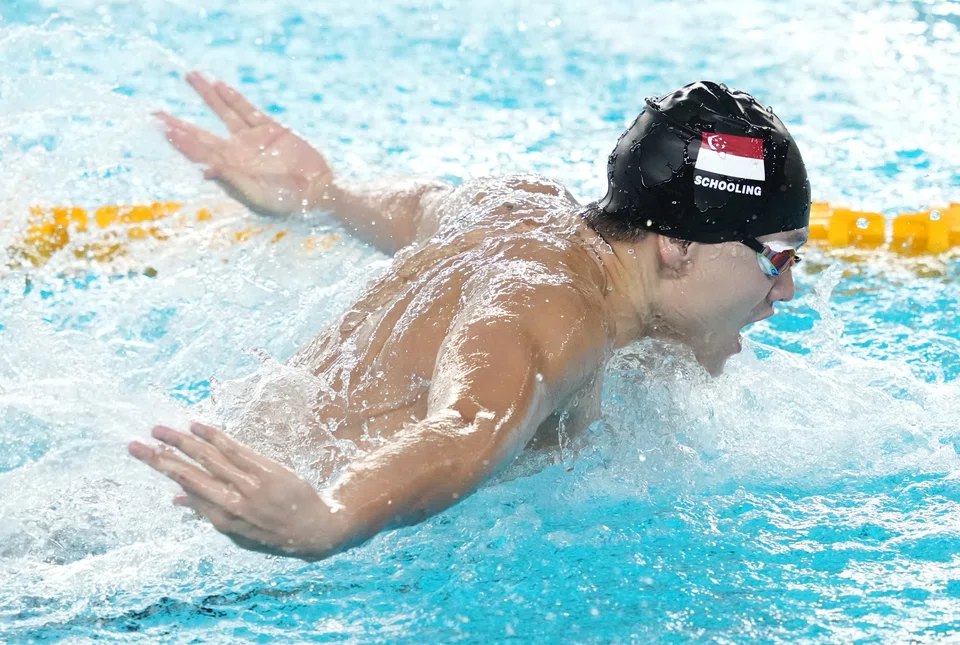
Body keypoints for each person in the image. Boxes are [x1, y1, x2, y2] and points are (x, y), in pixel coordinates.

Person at [128, 75, 810, 561]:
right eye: (776, 259)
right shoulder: (561, 314)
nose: (786, 292)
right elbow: (467, 425)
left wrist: (325, 191)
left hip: (204, 474)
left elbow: (420, 205)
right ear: (678, 243)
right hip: (209, 531)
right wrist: (326, 519)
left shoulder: (528, 205)